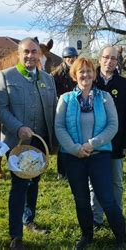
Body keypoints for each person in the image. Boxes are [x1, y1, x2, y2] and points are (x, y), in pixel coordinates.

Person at [55, 57, 126, 249]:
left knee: (107, 198)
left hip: (99, 156)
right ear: (74, 75)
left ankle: (121, 237)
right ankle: (87, 235)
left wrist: (92, 144)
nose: (85, 75)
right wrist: (75, 148)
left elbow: (113, 125)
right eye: (81, 72)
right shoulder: (65, 99)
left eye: (89, 71)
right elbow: (59, 127)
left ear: (94, 74)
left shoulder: (104, 98)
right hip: (73, 157)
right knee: (81, 199)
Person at [0, 37, 57, 250]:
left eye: (34, 52)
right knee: (19, 185)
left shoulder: (48, 79)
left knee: (34, 183)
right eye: (26, 52)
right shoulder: (5, 76)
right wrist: (18, 126)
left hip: (40, 143)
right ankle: (15, 235)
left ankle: (29, 220)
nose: (30, 56)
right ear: (19, 54)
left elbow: (54, 108)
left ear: (40, 54)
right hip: (17, 143)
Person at [89, 46, 126, 228]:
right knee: (94, 182)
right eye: (106, 57)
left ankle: (116, 217)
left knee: (116, 182)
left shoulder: (125, 85)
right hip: (94, 143)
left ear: (118, 62)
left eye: (113, 58)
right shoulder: (90, 81)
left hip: (117, 142)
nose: (109, 61)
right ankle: (96, 218)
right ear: (100, 59)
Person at [51, 46, 78, 180]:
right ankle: (61, 172)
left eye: (73, 57)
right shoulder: (56, 74)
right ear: (64, 59)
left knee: (75, 139)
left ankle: (74, 169)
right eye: (68, 58)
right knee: (63, 143)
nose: (70, 60)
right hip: (62, 109)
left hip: (77, 109)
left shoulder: (78, 71)